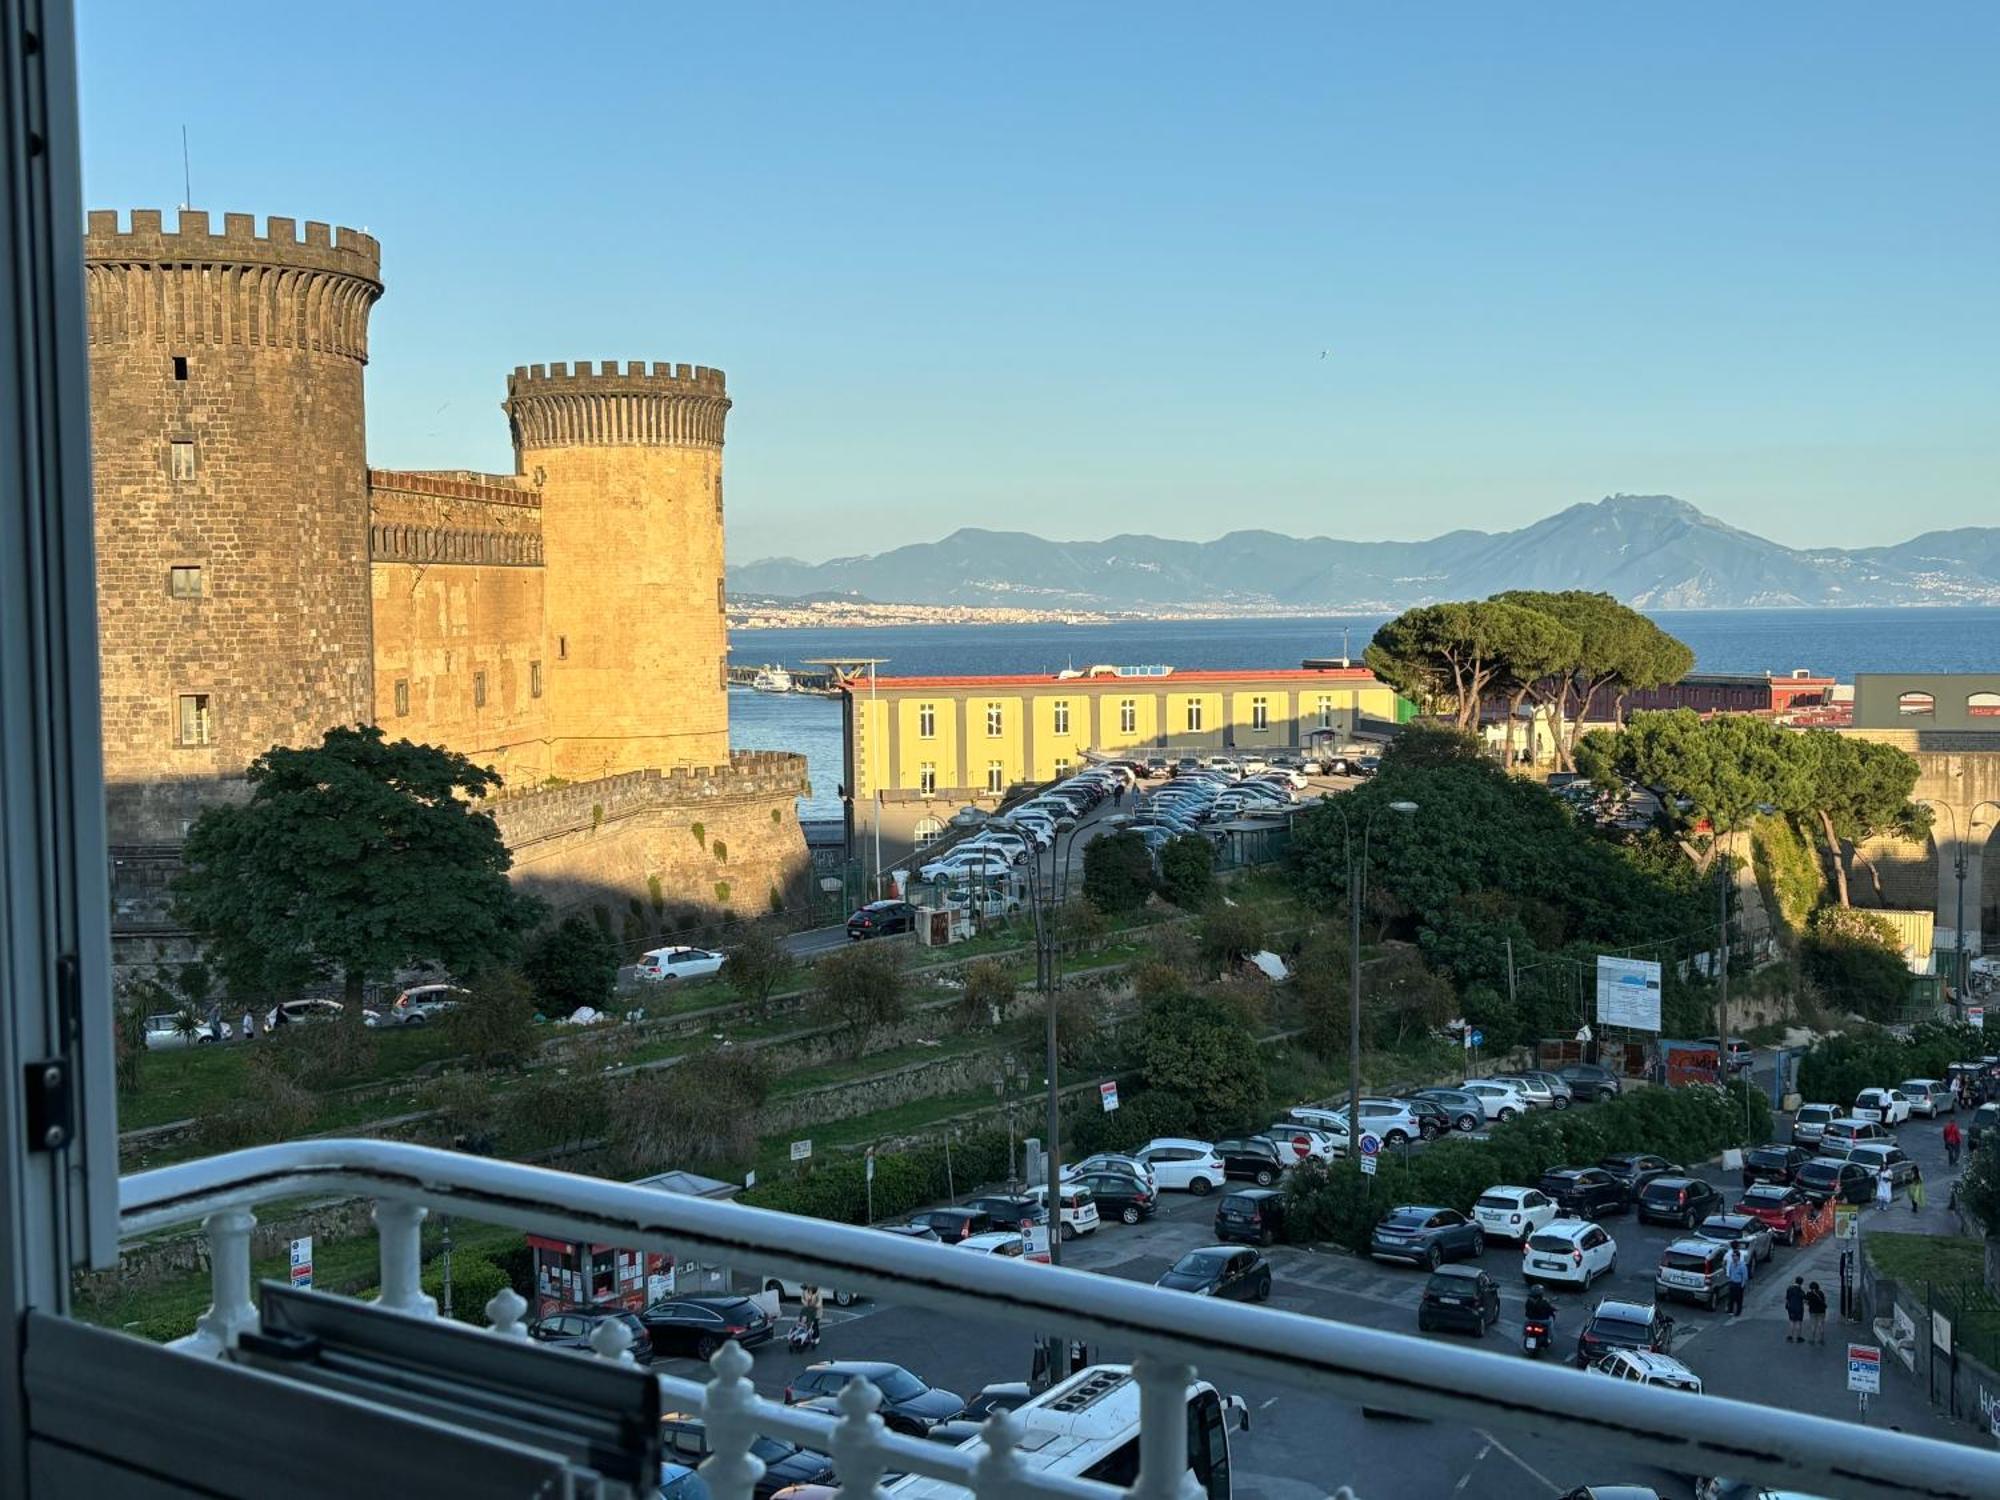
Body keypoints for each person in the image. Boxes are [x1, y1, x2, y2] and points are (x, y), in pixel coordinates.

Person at [1725, 1246, 1750, 1317]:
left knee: (1738, 1299)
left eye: (1734, 1256)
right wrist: (1730, 1281)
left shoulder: (1742, 1266)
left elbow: (1744, 1277)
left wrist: (1742, 1285)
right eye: (1732, 1256)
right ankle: (1730, 1310)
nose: (1733, 1257)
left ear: (1738, 1257)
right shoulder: (1732, 1264)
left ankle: (1738, 1312)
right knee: (1731, 1298)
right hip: (1732, 1283)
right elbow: (1730, 1272)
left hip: (1738, 1284)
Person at [1805, 1280, 1829, 1345]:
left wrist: (1810, 1303)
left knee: (1813, 1325)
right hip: (1821, 1311)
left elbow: (1806, 1302)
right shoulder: (1821, 1293)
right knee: (1821, 1325)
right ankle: (1821, 1339)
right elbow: (1824, 1300)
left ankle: (1812, 1339)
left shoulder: (1809, 1294)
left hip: (1812, 1311)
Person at [1784, 1276, 1806, 1343]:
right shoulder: (1801, 1290)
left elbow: (1787, 1298)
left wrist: (1787, 1304)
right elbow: (1804, 1299)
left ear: (1795, 1281)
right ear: (1801, 1283)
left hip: (1791, 1307)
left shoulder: (1789, 1289)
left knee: (1791, 1321)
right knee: (1798, 1322)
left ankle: (1790, 1336)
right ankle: (1798, 1337)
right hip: (1799, 1307)